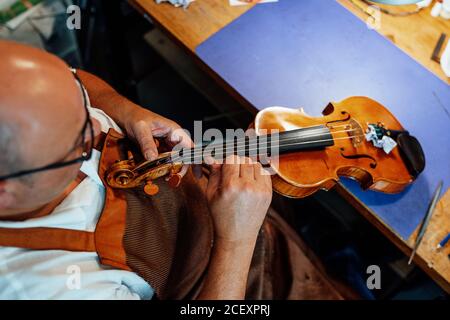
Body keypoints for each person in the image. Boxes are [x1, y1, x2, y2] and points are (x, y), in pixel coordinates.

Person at [0, 40, 346, 300]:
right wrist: (235, 242)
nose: (96, 124)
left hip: (223, 211)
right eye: (76, 140)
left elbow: (76, 80)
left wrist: (126, 111)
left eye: (81, 105)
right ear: (6, 192)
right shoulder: (47, 285)